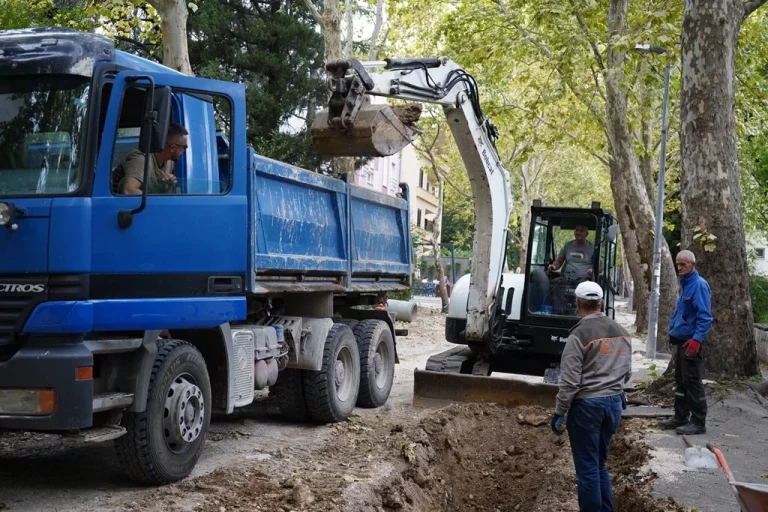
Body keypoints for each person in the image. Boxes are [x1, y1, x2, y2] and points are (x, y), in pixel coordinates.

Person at [551, 281, 632, 512]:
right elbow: (626, 373)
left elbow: (569, 382)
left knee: (587, 469)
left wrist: (559, 411)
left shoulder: (578, 335)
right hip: (614, 405)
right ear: (602, 304)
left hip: (587, 407)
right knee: (599, 465)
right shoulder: (622, 332)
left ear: (577, 304)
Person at [658, 249, 712, 435]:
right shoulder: (686, 284)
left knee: (692, 382)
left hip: (690, 343)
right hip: (682, 341)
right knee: (681, 381)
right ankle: (680, 417)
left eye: (683, 264)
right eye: (678, 263)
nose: (679, 267)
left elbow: (705, 317)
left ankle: (698, 422)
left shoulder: (698, 285)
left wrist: (697, 339)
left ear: (693, 265)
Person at [113, 122, 188, 195]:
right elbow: (129, 191)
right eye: (184, 147)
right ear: (172, 148)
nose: (184, 151)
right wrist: (158, 203)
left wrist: (168, 185)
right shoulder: (141, 159)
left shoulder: (169, 162)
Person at [548, 224, 595, 313]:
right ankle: (559, 311)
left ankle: (580, 312)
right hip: (567, 278)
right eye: (577, 230)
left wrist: (592, 270)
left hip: (583, 279)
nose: (578, 232)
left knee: (584, 287)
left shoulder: (592, 247)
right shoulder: (568, 246)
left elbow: (599, 265)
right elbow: (559, 261)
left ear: (586, 234)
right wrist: (553, 266)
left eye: (581, 231)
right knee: (555, 283)